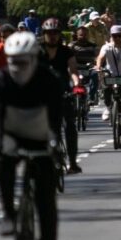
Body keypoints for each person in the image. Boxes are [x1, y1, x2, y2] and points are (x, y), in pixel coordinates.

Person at [0, 32, 64, 240]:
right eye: (13, 61)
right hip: (11, 134)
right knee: (5, 161)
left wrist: (54, 143)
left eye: (23, 61)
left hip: (40, 135)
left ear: (34, 59)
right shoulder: (0, 82)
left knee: (46, 204)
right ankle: (9, 213)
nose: (17, 67)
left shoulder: (47, 80)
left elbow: (56, 116)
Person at [40, 18, 83, 174]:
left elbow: (73, 71)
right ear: (44, 34)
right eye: (49, 33)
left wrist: (77, 85)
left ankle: (72, 162)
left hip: (63, 94)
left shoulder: (66, 52)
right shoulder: (37, 51)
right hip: (42, 95)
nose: (52, 36)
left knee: (70, 126)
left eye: (55, 33)